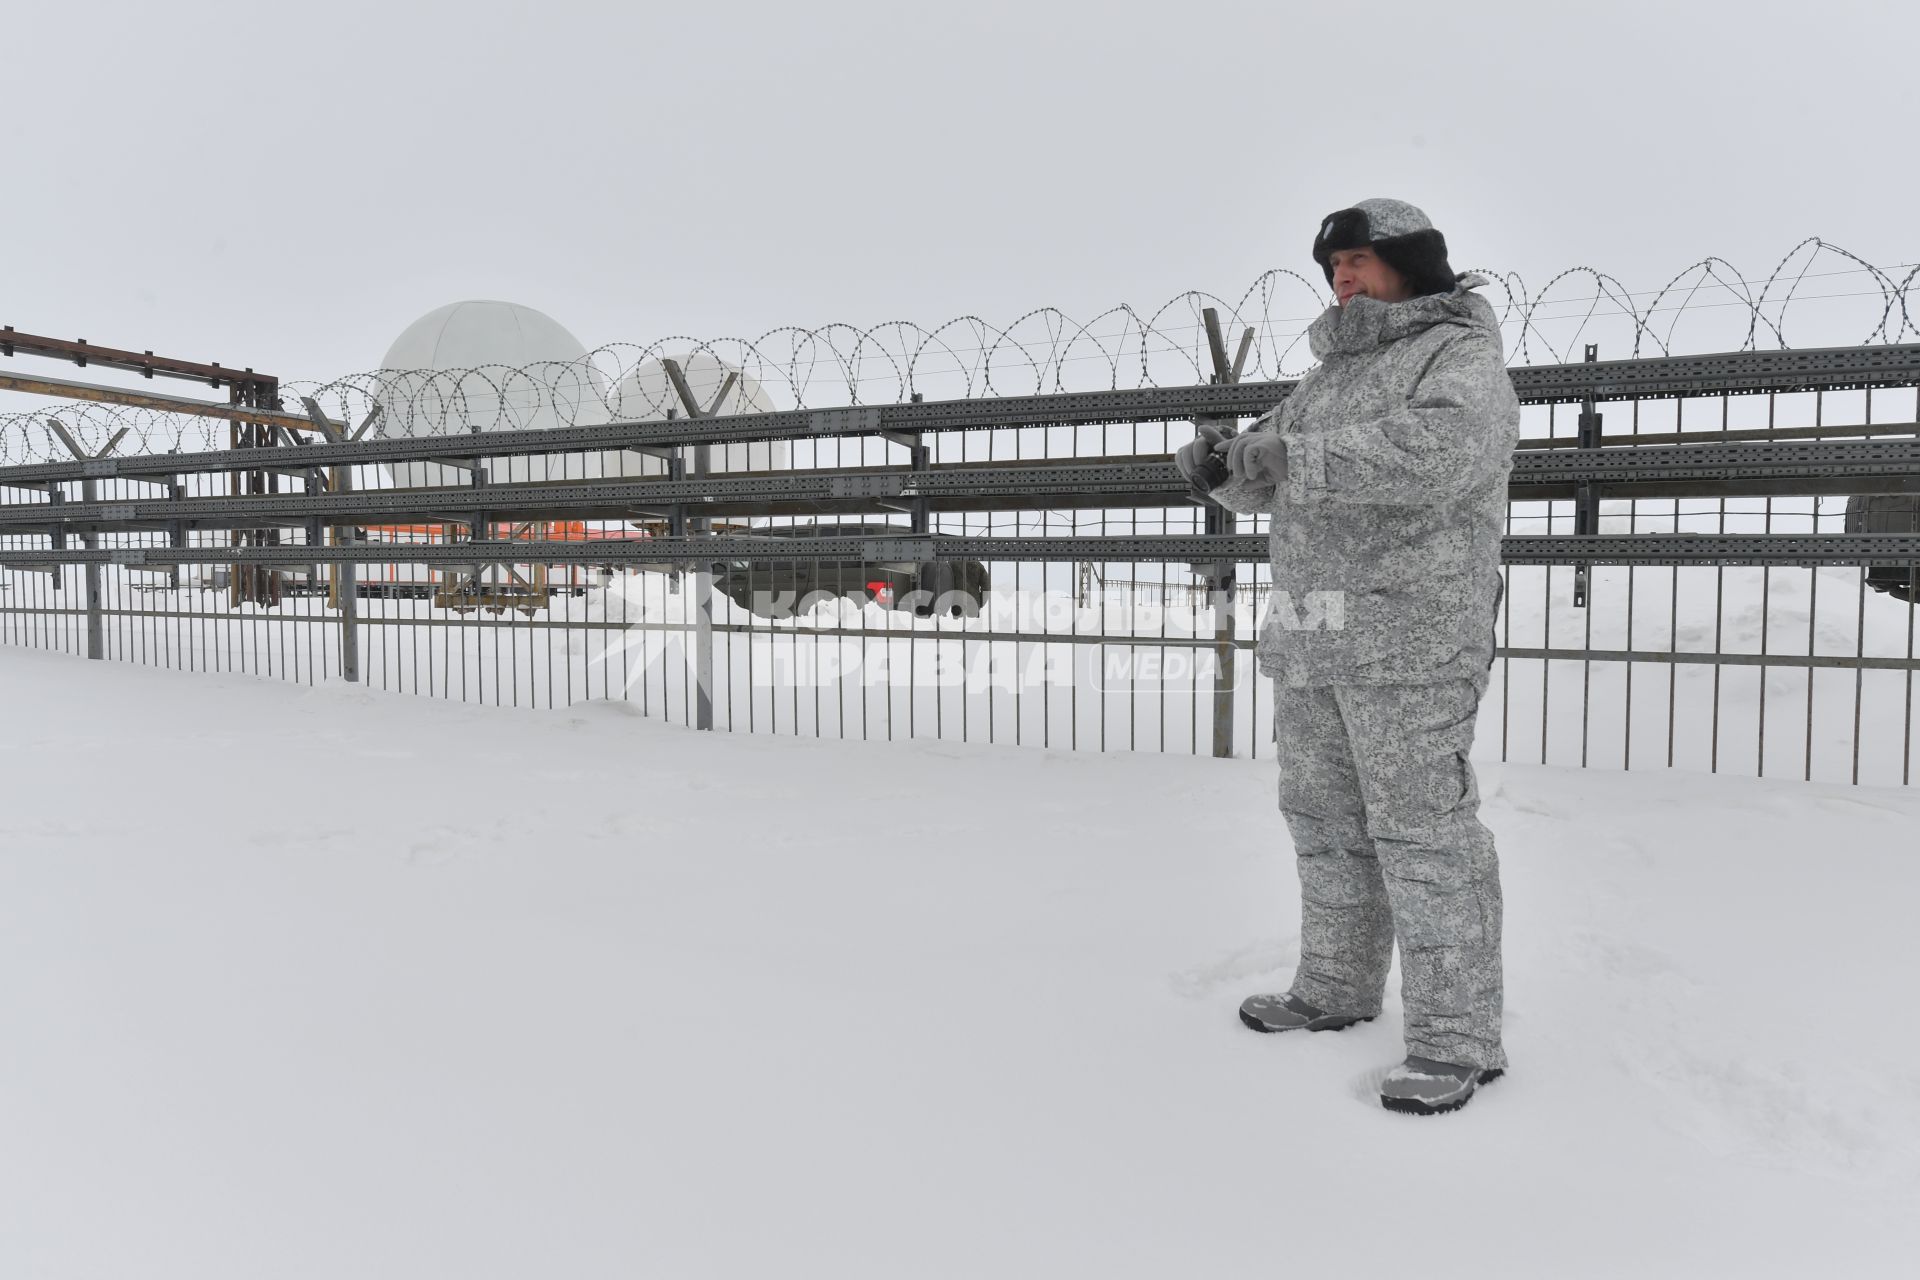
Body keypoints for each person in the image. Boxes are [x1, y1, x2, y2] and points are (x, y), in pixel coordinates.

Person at [1175, 198, 1519, 1116]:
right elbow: (1274, 478)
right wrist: (1223, 466)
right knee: (1322, 822)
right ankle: (1334, 988)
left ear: (1412, 264)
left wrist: (1295, 455)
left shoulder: (1459, 355)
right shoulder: (1327, 378)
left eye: (1359, 261)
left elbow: (1440, 450)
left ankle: (1457, 1041)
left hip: (1411, 637)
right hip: (1315, 632)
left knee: (1422, 836)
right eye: (1334, 266)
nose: (1343, 278)